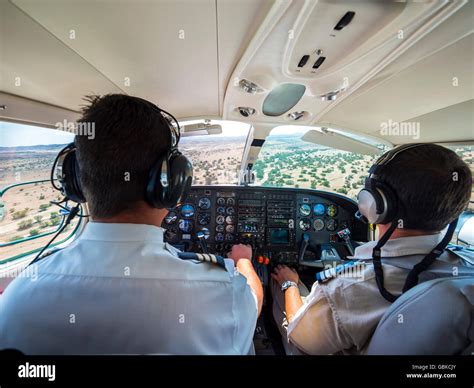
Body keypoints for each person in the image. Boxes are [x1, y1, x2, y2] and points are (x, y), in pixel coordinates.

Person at [0, 94, 263, 355]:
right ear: (172, 184)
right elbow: (253, 303)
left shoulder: (18, 298)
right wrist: (244, 263)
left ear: (77, 183)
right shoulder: (223, 291)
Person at [271, 143, 473, 355]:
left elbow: (302, 339)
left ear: (376, 204)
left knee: (281, 281)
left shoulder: (346, 289)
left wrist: (290, 284)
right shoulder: (468, 266)